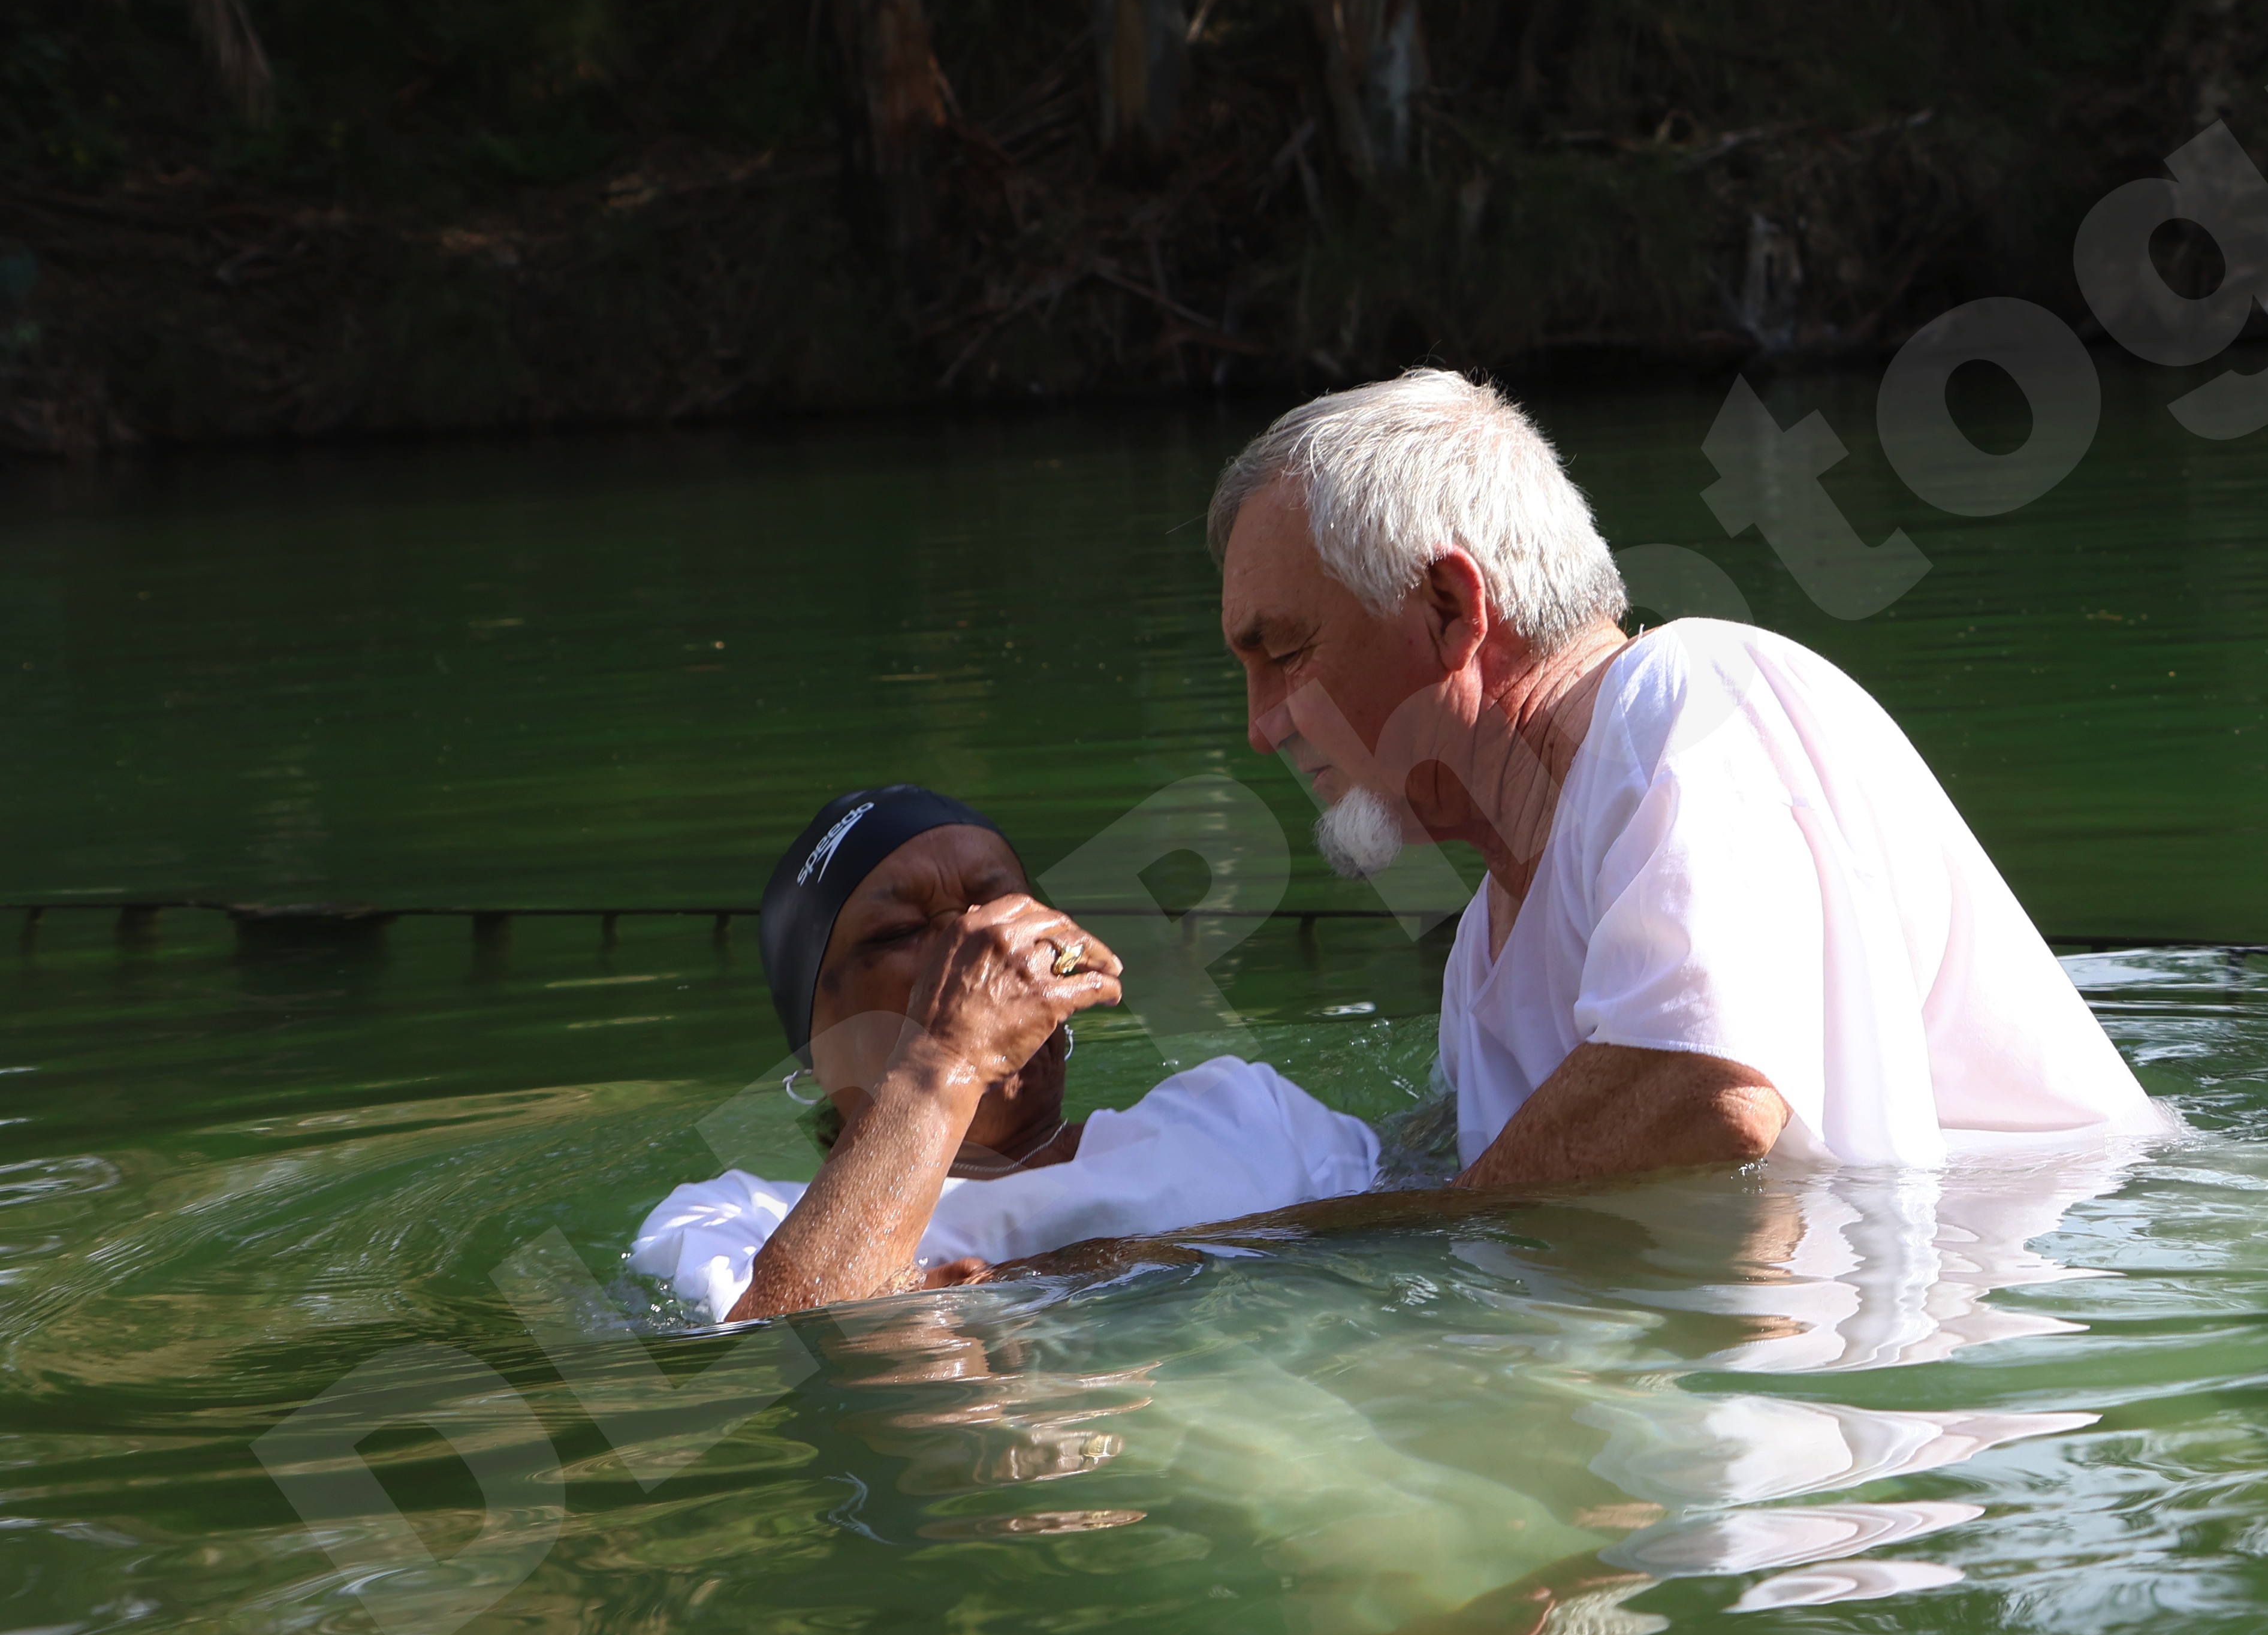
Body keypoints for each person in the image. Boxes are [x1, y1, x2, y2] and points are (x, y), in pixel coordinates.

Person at [1208, 370, 2172, 1184]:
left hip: (2048, 1282)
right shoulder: (1484, 951)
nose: (1261, 728)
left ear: (1451, 607)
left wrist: (1335, 1244)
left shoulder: (1694, 698)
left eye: (1285, 653)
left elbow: (1709, 1088)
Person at [632, 785, 1377, 1322]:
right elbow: (782, 1356)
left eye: (997, 907)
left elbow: (1438, 1234)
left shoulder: (1242, 1111)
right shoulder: (731, 1222)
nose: (977, 947)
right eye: (900, 933)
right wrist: (942, 1059)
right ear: (811, 1048)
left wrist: (1057, 1275)